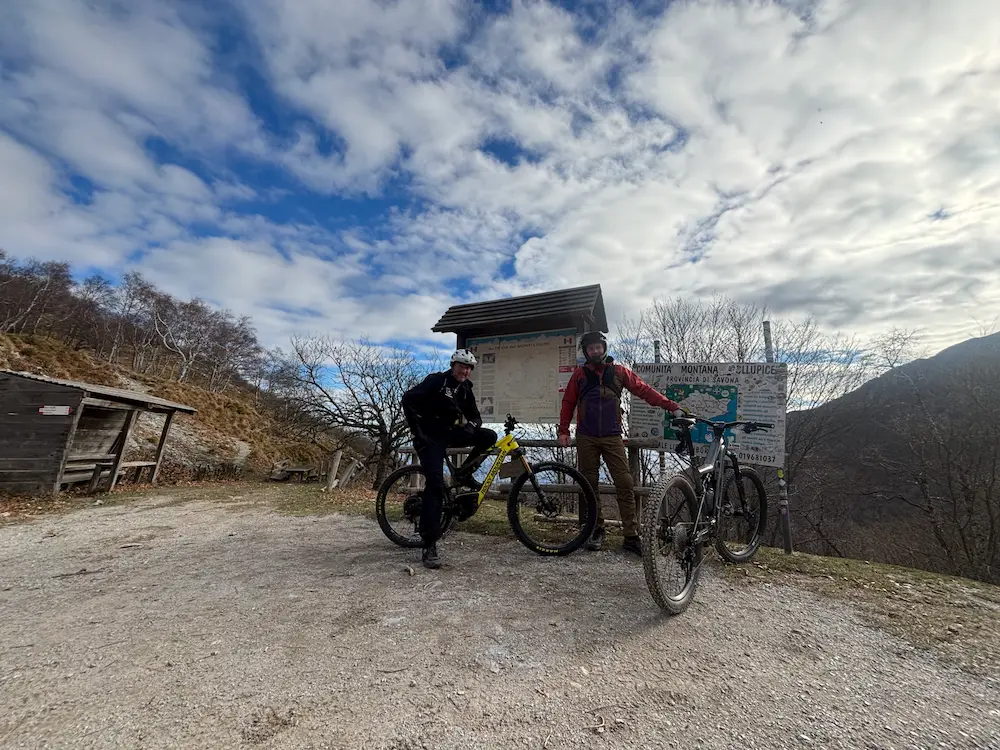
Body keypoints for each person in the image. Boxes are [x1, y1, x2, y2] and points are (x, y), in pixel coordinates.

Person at [557, 331, 686, 555]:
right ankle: (596, 529)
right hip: (586, 436)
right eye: (591, 348)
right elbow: (568, 402)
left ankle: (631, 535)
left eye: (598, 347)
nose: (595, 351)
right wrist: (563, 431)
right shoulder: (579, 375)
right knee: (589, 484)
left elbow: (643, 390)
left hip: (612, 436)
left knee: (625, 483)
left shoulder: (618, 372)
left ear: (604, 348)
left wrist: (671, 406)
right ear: (586, 352)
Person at [401, 349, 498, 569]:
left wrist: (471, 427)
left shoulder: (464, 389)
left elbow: (475, 416)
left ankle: (464, 473)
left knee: (489, 437)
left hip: (447, 434)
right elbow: (408, 399)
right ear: (453, 365)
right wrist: (417, 431)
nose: (465, 370)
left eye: (469, 367)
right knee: (435, 486)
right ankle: (429, 543)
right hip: (429, 438)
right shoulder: (436, 381)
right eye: (462, 366)